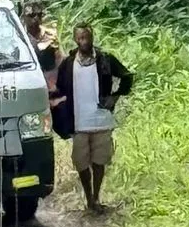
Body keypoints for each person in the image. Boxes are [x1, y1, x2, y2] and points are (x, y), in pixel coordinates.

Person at [50, 20, 135, 212]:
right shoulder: (69, 63)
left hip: (101, 119)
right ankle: (88, 197)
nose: (84, 41)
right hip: (79, 121)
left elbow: (127, 75)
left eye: (87, 37)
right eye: (80, 38)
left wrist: (115, 96)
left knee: (99, 161)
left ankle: (96, 198)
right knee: (81, 162)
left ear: (92, 37)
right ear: (75, 40)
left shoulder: (104, 59)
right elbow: (61, 87)